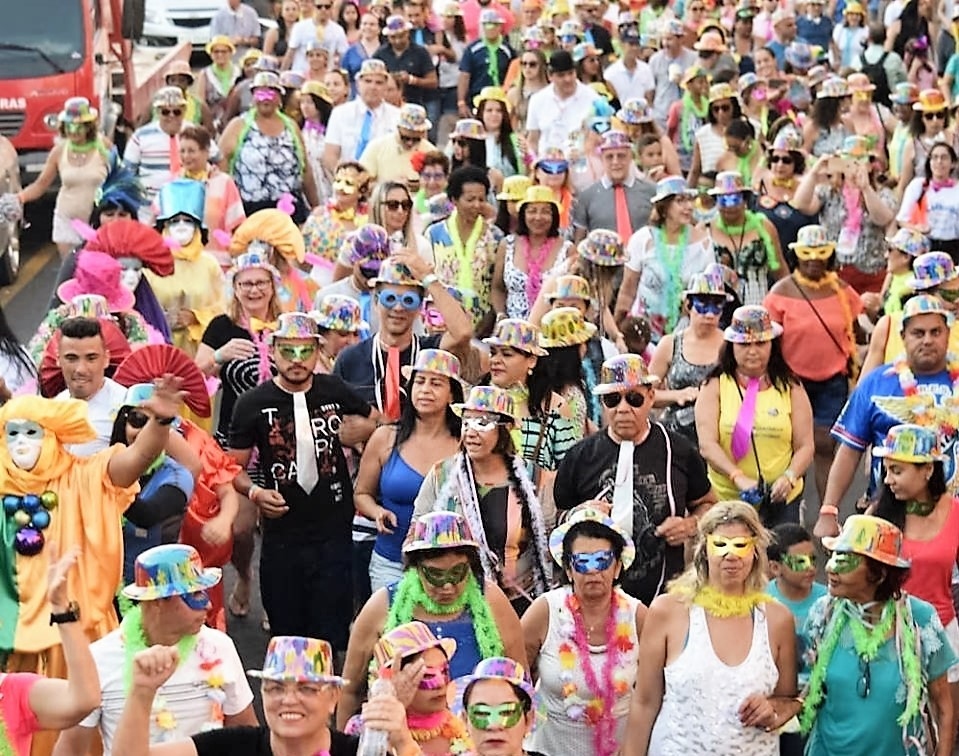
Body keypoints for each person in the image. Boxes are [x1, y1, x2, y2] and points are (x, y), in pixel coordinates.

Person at [228, 312, 375, 651]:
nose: (296, 361)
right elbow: (230, 467)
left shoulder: (334, 389)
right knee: (286, 633)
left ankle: (332, 701)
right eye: (288, 351)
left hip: (334, 531)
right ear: (273, 351)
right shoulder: (252, 404)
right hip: (282, 535)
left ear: (318, 352)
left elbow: (379, 423)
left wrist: (361, 432)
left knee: (332, 633)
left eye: (305, 351)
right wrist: (255, 492)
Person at [625, 500, 800, 755]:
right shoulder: (668, 611)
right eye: (720, 545)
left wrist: (772, 708)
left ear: (755, 551)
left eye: (741, 546)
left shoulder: (778, 618)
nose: (731, 555)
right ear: (704, 549)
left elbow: (788, 699)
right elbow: (644, 702)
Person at [51, 544, 256, 756]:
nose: (208, 605)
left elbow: (249, 739)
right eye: (194, 595)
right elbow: (71, 750)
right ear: (157, 601)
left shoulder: (219, 647)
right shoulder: (99, 658)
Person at [555, 354, 716, 605]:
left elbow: (709, 503)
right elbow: (557, 519)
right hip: (594, 600)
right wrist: (578, 513)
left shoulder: (678, 450)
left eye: (634, 398)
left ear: (651, 397)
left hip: (663, 595)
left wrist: (691, 524)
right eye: (612, 400)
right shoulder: (580, 456)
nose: (623, 409)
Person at [338, 511, 527, 724]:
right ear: (416, 569)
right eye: (435, 576)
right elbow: (350, 691)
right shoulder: (382, 605)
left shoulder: (491, 599)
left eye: (457, 573)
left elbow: (520, 680)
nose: (447, 586)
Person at [800, 515, 956, 756]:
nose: (831, 568)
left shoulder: (920, 620)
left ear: (879, 574)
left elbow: (944, 706)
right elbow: (809, 689)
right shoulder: (823, 613)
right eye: (833, 556)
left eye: (847, 561)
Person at [110, 635, 418, 756]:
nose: (289, 700)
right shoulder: (230, 747)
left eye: (307, 689)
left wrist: (404, 742)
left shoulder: (357, 753)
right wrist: (142, 691)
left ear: (334, 697)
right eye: (276, 688)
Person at [816, 294, 959, 537]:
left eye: (936, 332)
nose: (927, 340)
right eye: (918, 333)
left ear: (948, 334)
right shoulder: (876, 383)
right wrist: (829, 510)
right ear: (903, 337)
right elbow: (850, 450)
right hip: (891, 516)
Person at [411, 385, 554, 613]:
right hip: (455, 600)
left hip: (519, 601)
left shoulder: (534, 478)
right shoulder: (442, 475)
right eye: (466, 422)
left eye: (482, 423)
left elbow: (548, 539)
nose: (470, 432)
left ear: (504, 428)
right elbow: (416, 534)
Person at [522, 506, 646, 756]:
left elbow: (654, 690)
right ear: (568, 569)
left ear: (618, 567)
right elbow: (516, 675)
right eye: (582, 562)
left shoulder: (638, 615)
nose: (592, 570)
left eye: (602, 560)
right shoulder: (546, 611)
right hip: (548, 750)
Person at [763, 225, 863, 502]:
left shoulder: (842, 290)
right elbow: (768, 341)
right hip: (793, 380)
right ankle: (794, 504)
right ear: (797, 255)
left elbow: (855, 330)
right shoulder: (780, 293)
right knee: (793, 445)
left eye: (820, 255)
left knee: (824, 445)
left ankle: (826, 510)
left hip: (833, 380)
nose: (813, 260)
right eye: (807, 254)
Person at [695, 305, 815, 528]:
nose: (752, 351)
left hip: (781, 498)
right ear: (731, 346)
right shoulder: (715, 385)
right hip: (728, 496)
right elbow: (707, 445)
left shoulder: (791, 386)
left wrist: (789, 477)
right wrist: (737, 476)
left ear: (772, 345)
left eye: (760, 343)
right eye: (744, 344)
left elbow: (805, 446)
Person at [354, 349, 464, 591]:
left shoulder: (465, 445)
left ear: (452, 395)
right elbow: (361, 494)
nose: (425, 390)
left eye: (436, 383)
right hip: (390, 563)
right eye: (419, 382)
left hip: (448, 571)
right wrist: (376, 512)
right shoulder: (385, 437)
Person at [871, 424, 959, 687]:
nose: (888, 480)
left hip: (943, 634)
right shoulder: (878, 517)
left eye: (897, 471)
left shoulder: (956, 513)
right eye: (886, 471)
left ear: (928, 470)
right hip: (887, 634)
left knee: (947, 720)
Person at [333, 255, 472, 418]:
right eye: (389, 299)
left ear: (419, 307)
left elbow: (462, 332)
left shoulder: (431, 352)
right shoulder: (350, 360)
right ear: (376, 302)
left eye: (408, 300)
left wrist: (429, 279)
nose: (398, 308)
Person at [616, 175, 715, 343]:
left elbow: (708, 294)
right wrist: (617, 332)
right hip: (642, 333)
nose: (688, 206)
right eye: (680, 200)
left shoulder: (703, 243)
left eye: (690, 200)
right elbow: (627, 290)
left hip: (685, 333)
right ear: (664, 207)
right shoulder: (642, 239)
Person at [352, 621, 470, 753]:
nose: (441, 684)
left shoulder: (464, 721)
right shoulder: (365, 727)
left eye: (444, 671)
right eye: (427, 675)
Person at [13, 97, 109, 256]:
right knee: (71, 272)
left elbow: (121, 178)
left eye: (78, 126)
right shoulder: (59, 152)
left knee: (98, 273)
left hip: (98, 223)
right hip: (67, 221)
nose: (73, 131)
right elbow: (40, 185)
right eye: (69, 126)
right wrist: (19, 198)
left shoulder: (103, 147)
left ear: (88, 127)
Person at [219, 71, 319, 222]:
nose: (265, 98)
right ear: (253, 97)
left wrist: (316, 206)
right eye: (260, 93)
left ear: (279, 98)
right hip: (250, 211)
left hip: (289, 210)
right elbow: (221, 168)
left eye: (271, 93)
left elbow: (305, 169)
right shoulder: (238, 126)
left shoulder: (291, 126)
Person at [648, 269, 728, 445]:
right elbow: (646, 395)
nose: (709, 314)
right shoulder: (670, 344)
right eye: (703, 304)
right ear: (689, 305)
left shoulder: (729, 345)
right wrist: (677, 395)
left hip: (719, 435)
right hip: (675, 437)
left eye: (717, 306)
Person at [148, 180, 226, 357]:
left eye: (188, 220)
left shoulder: (210, 264)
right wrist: (161, 320)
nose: (182, 226)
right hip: (160, 352)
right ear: (165, 226)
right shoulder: (150, 265)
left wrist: (195, 317)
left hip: (202, 352)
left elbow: (226, 307)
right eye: (175, 221)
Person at [424, 166, 503, 334]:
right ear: (454, 199)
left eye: (482, 199)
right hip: (441, 323)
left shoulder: (495, 236)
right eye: (470, 199)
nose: (477, 205)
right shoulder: (434, 234)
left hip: (483, 326)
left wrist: (490, 319)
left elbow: (497, 285)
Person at [492, 185, 572, 321]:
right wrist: (501, 315)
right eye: (532, 211)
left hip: (551, 331)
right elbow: (497, 288)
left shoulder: (567, 249)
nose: (538, 217)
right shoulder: (508, 244)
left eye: (545, 212)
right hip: (512, 329)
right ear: (523, 214)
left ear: (554, 216)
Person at [708, 171, 787, 306]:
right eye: (723, 200)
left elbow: (780, 272)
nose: (730, 206)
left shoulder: (764, 227)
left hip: (759, 307)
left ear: (745, 199)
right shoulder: (707, 229)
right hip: (718, 310)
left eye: (735, 199)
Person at [571, 130, 655, 246]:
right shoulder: (587, 196)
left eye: (621, 156)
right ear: (601, 159)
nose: (615, 162)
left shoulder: (651, 191)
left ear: (630, 157)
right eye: (609, 157)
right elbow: (579, 241)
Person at [324, 60, 401, 172]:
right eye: (368, 81)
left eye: (378, 83)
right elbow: (330, 155)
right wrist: (343, 178)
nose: (373, 87)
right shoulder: (340, 114)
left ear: (385, 87)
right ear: (358, 84)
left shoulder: (397, 117)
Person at [124, 88, 190, 205]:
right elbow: (128, 173)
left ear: (184, 111)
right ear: (158, 112)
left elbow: (217, 159)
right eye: (165, 112)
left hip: (187, 204)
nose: (171, 116)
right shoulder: (141, 136)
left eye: (176, 112)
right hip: (148, 207)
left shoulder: (194, 132)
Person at [525, 50, 600, 155]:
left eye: (571, 73)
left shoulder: (593, 98)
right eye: (561, 75)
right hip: (548, 166)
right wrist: (534, 163)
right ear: (550, 76)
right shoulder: (537, 100)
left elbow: (600, 138)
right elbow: (533, 140)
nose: (567, 79)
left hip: (582, 164)